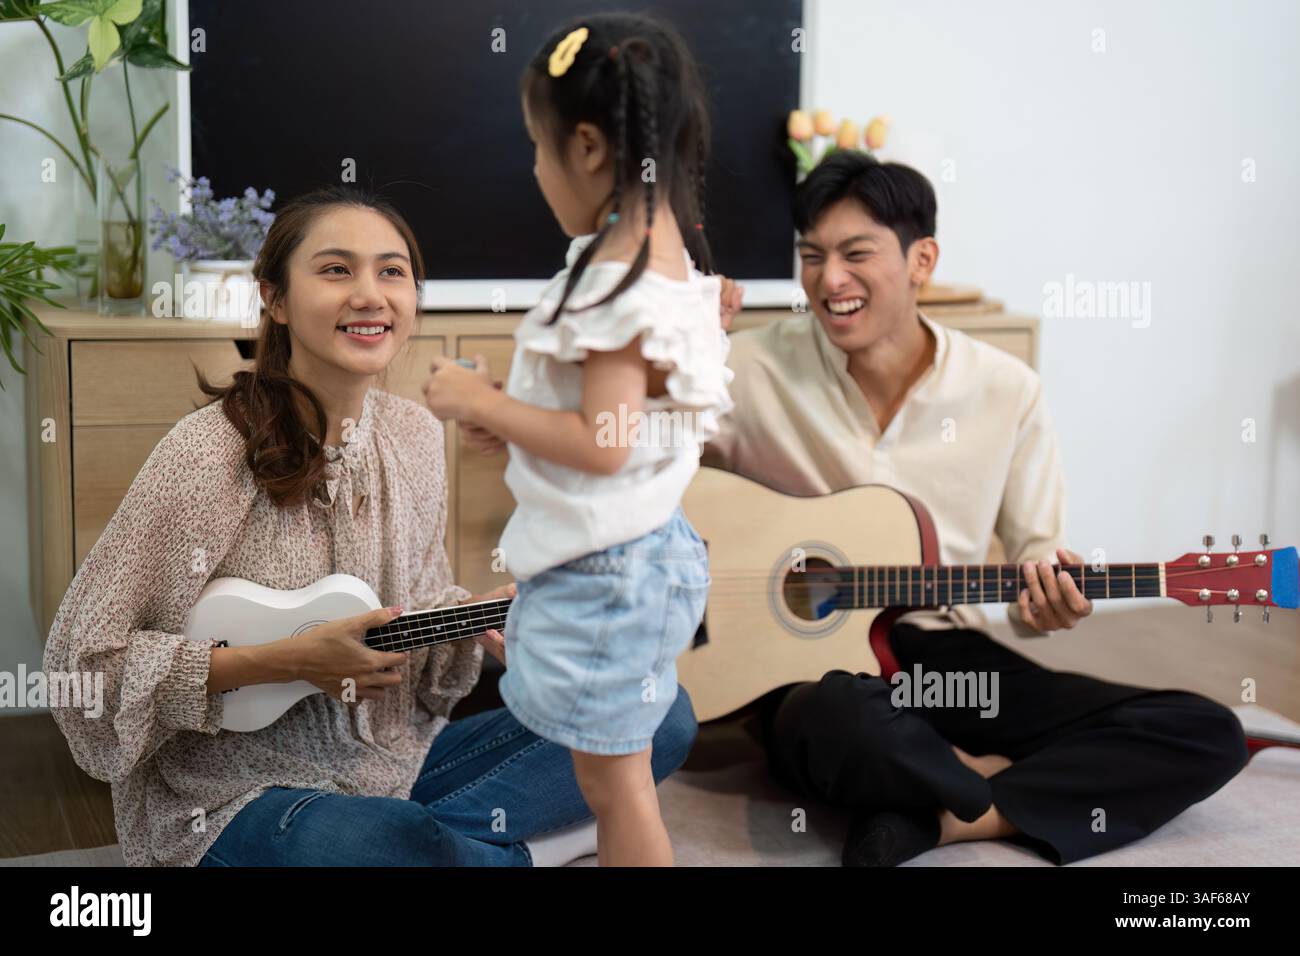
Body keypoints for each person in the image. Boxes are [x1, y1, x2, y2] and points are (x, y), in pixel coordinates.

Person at [42, 186, 697, 867]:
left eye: (392, 272)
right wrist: (288, 661)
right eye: (335, 270)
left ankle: (448, 847)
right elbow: (79, 667)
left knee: (657, 711)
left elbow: (418, 608)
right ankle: (505, 851)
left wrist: (481, 619)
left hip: (392, 768)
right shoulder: (204, 455)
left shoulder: (413, 434)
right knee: (381, 844)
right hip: (237, 797)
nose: (370, 294)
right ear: (275, 299)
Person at [703, 151, 1248, 866]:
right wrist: (677, 357)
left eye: (855, 254)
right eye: (812, 256)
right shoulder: (746, 367)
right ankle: (983, 780)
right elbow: (645, 482)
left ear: (921, 259)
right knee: (838, 723)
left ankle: (949, 815)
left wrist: (1047, 599)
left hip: (944, 651)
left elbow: (1034, 566)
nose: (829, 280)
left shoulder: (1005, 389)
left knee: (1205, 729)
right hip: (807, 673)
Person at [424, 13, 732, 865]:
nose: (532, 167)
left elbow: (602, 441)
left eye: (537, 145)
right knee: (615, 770)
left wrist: (472, 396)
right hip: (652, 551)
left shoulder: (610, 280)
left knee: (614, 785)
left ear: (590, 149)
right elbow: (636, 431)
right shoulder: (675, 266)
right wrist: (513, 425)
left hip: (608, 576)